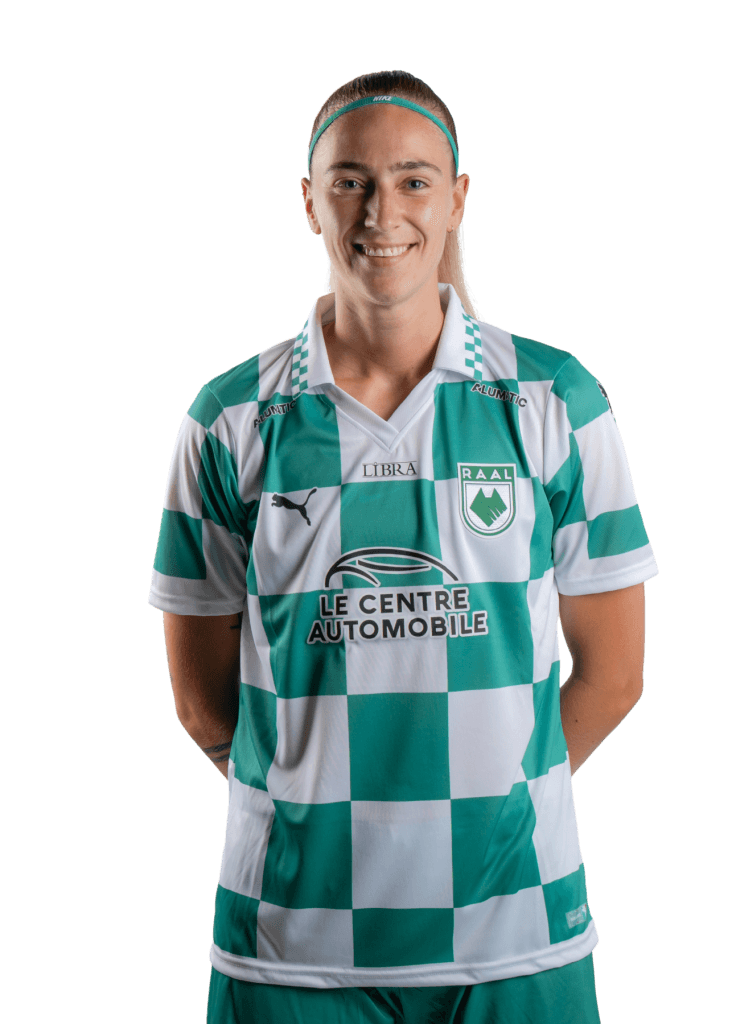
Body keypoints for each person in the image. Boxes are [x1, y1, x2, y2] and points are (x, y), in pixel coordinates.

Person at [148, 70, 658, 1024]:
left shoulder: (555, 400)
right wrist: (320, 811)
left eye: (413, 180)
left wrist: (492, 804)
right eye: (350, 181)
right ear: (309, 202)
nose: (381, 212)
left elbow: (616, 675)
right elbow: (200, 701)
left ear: (457, 196)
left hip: (518, 935)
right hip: (290, 946)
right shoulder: (229, 419)